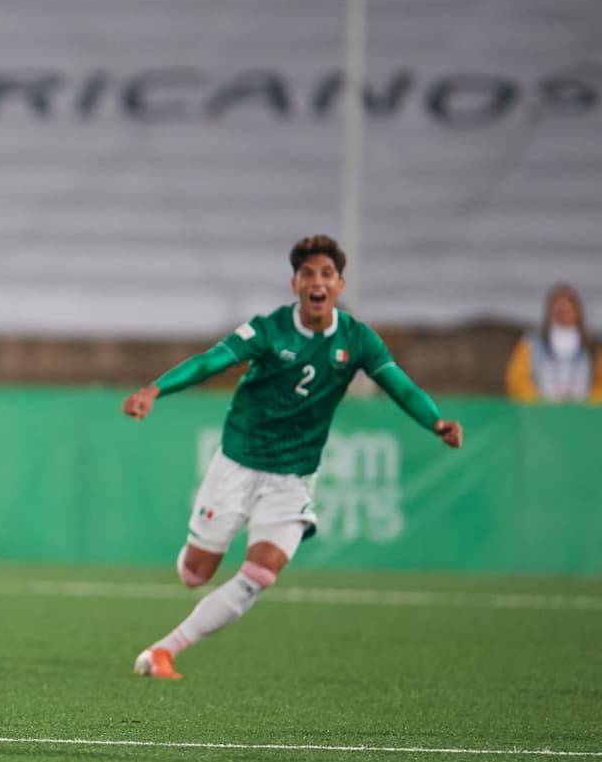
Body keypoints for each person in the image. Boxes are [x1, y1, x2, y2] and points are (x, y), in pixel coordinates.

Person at [124, 234, 463, 681]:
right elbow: (210, 361)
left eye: (327, 274)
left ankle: (164, 651)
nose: (317, 282)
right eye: (308, 274)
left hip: (293, 476)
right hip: (239, 462)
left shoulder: (358, 339)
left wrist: (435, 422)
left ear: (339, 285)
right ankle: (194, 556)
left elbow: (400, 386)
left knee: (260, 575)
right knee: (195, 574)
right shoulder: (268, 330)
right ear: (295, 284)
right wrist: (155, 389)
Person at [504, 283, 602, 403]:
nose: (563, 310)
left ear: (577, 310)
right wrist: (535, 402)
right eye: (557, 305)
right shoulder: (532, 344)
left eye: (568, 305)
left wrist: (589, 404)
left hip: (580, 411)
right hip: (542, 411)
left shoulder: (592, 346)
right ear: (549, 310)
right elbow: (517, 379)